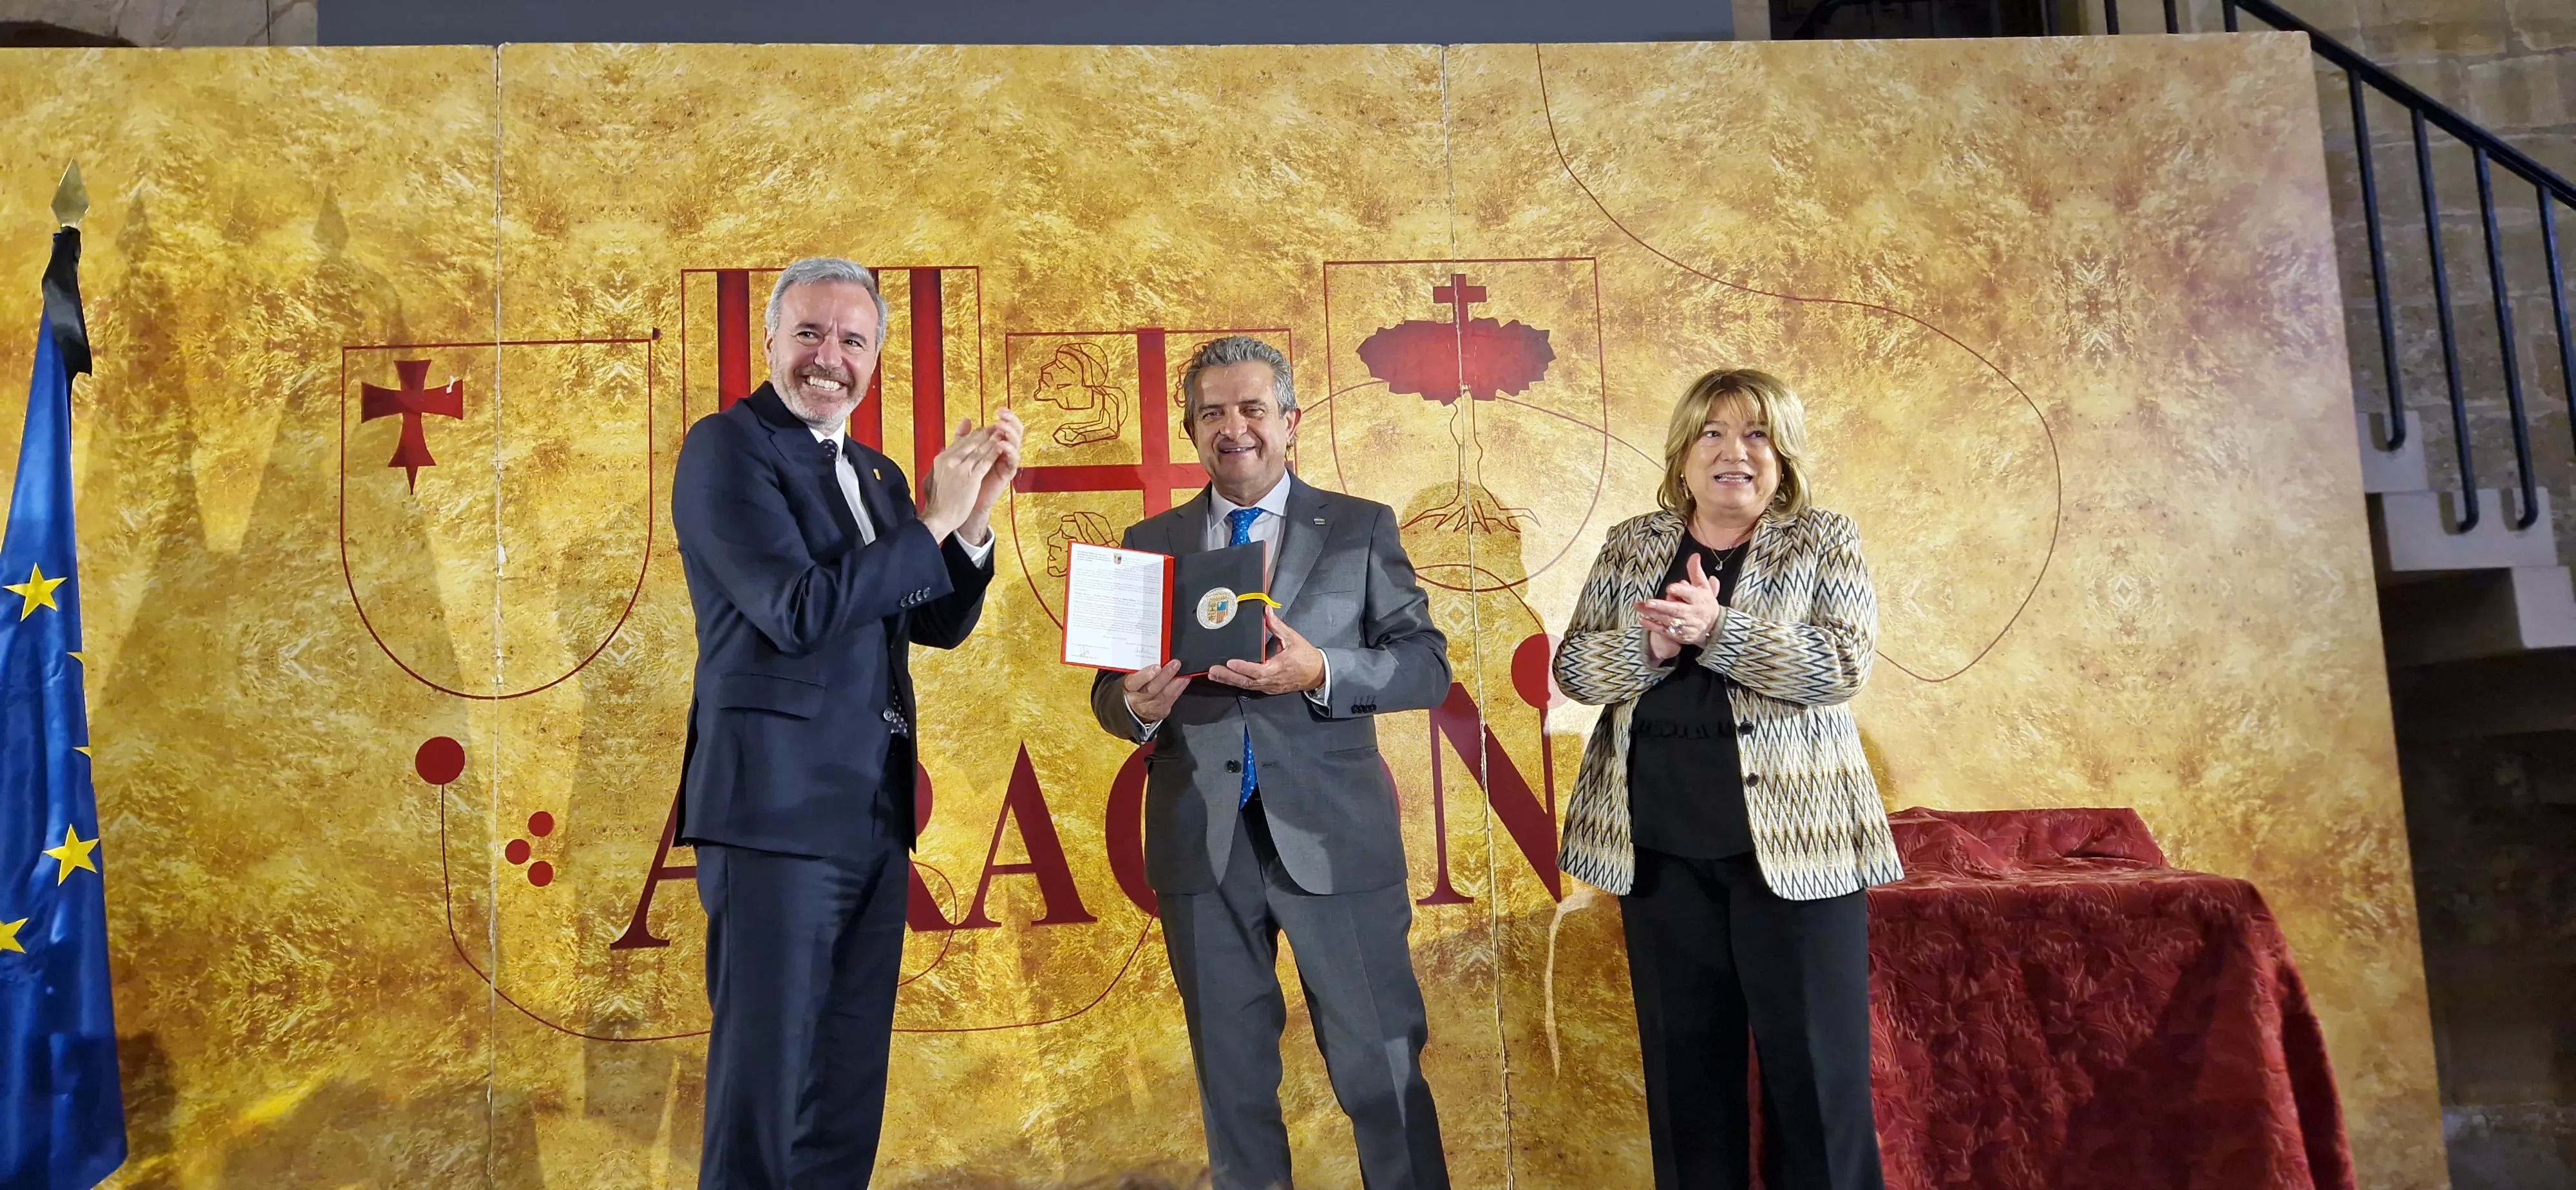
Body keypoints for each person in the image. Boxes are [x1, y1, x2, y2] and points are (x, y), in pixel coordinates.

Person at [670, 257, 1023, 1188]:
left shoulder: (875, 470)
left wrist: (972, 524)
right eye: (811, 335)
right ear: (773, 343)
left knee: (844, 1089)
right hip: (775, 817)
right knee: (767, 1087)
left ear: (876, 358)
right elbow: (793, 609)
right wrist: (933, 520)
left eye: (853, 341)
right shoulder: (727, 447)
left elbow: (934, 621)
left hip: (873, 815)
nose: (831, 358)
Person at [1088, 335, 1453, 1190]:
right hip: (1200, 847)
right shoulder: (1151, 539)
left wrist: (1320, 669)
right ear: (1191, 430)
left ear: (1289, 423)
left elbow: (1427, 665)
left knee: (1383, 1074)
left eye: (1253, 409)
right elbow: (1111, 692)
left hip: (1337, 844)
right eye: (1212, 412)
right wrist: (1134, 709)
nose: (1234, 428)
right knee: (1233, 1085)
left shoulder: (1361, 527)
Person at [1551, 368, 1903, 1190]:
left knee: (1817, 1090)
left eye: (1754, 435)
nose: (1731, 453)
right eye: (1711, 433)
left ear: (1781, 457)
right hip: (1660, 852)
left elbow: (1840, 665)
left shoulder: (1822, 538)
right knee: (1687, 1094)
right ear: (1683, 454)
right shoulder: (1635, 544)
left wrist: (1718, 631)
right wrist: (1651, 649)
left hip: (1799, 857)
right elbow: (1574, 667)